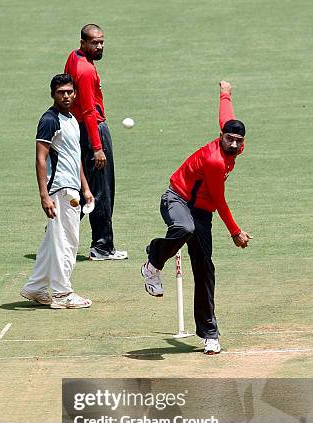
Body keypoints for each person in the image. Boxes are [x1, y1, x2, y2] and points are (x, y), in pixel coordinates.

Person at [141, 81, 252, 355]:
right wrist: (236, 232)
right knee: (184, 227)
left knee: (204, 270)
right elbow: (220, 200)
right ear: (221, 137)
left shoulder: (233, 144)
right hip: (176, 199)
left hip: (202, 212)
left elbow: (225, 115)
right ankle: (153, 263)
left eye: (238, 141)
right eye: (229, 139)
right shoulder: (215, 161)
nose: (234, 144)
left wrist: (225, 92)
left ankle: (210, 334)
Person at [21, 73, 94, 309]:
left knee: (52, 241)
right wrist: (44, 195)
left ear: (75, 93)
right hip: (59, 189)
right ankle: (63, 294)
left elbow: (75, 156)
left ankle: (35, 287)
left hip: (72, 187)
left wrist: (85, 187)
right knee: (67, 240)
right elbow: (40, 159)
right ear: (53, 94)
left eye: (69, 91)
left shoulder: (72, 119)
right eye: (61, 92)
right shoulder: (50, 120)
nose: (66, 96)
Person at [65, 24, 127, 261]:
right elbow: (90, 111)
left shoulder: (74, 57)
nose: (99, 46)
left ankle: (57, 231)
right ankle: (102, 247)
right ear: (83, 43)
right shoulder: (86, 71)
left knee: (86, 187)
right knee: (102, 190)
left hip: (79, 128)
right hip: (93, 131)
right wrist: (98, 147)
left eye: (101, 42)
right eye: (94, 43)